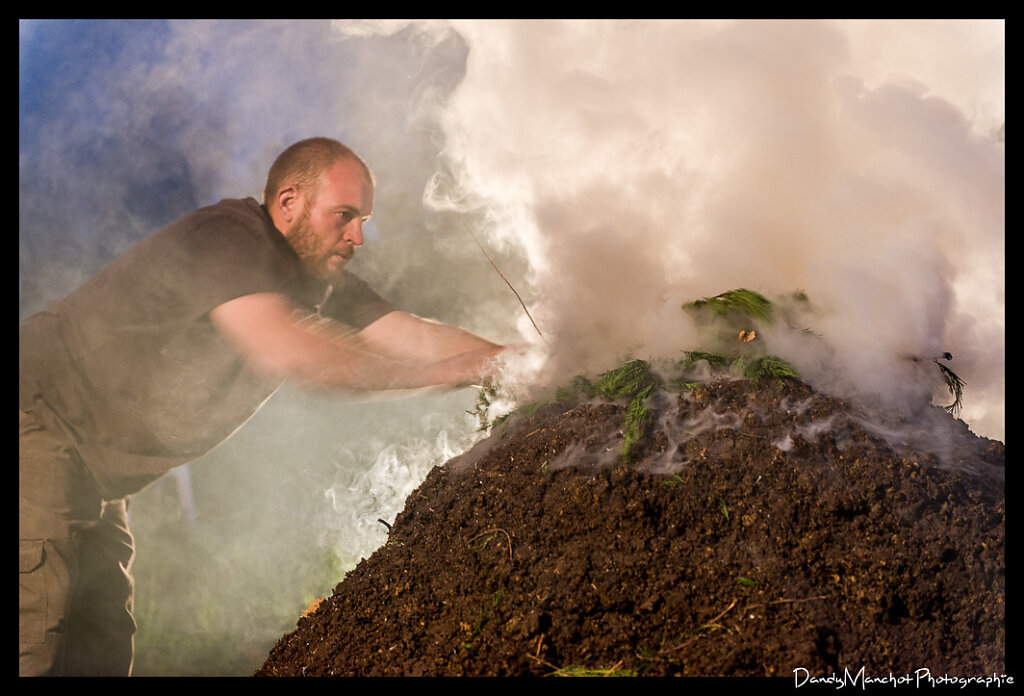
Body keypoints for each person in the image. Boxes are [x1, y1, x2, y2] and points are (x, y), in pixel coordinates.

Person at [19, 137, 508, 676]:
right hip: (35, 424)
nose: (357, 237)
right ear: (289, 202)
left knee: (100, 647)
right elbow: (292, 352)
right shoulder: (228, 239)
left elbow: (411, 334)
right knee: (35, 639)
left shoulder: (312, 278)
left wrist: (525, 363)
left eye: (363, 219)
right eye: (344, 215)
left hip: (91, 471)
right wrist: (444, 374)